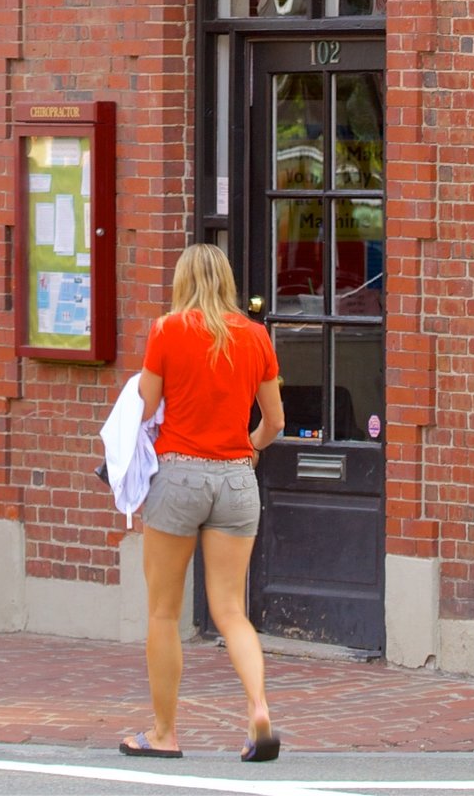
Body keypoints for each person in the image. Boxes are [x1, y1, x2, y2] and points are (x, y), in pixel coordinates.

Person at [122, 244, 284, 763]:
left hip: (179, 475)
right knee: (233, 610)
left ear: (182, 279)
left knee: (163, 612)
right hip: (237, 479)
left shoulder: (168, 330)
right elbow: (275, 422)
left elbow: (146, 408)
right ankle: (258, 708)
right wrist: (250, 449)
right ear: (229, 281)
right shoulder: (256, 336)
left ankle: (165, 733)